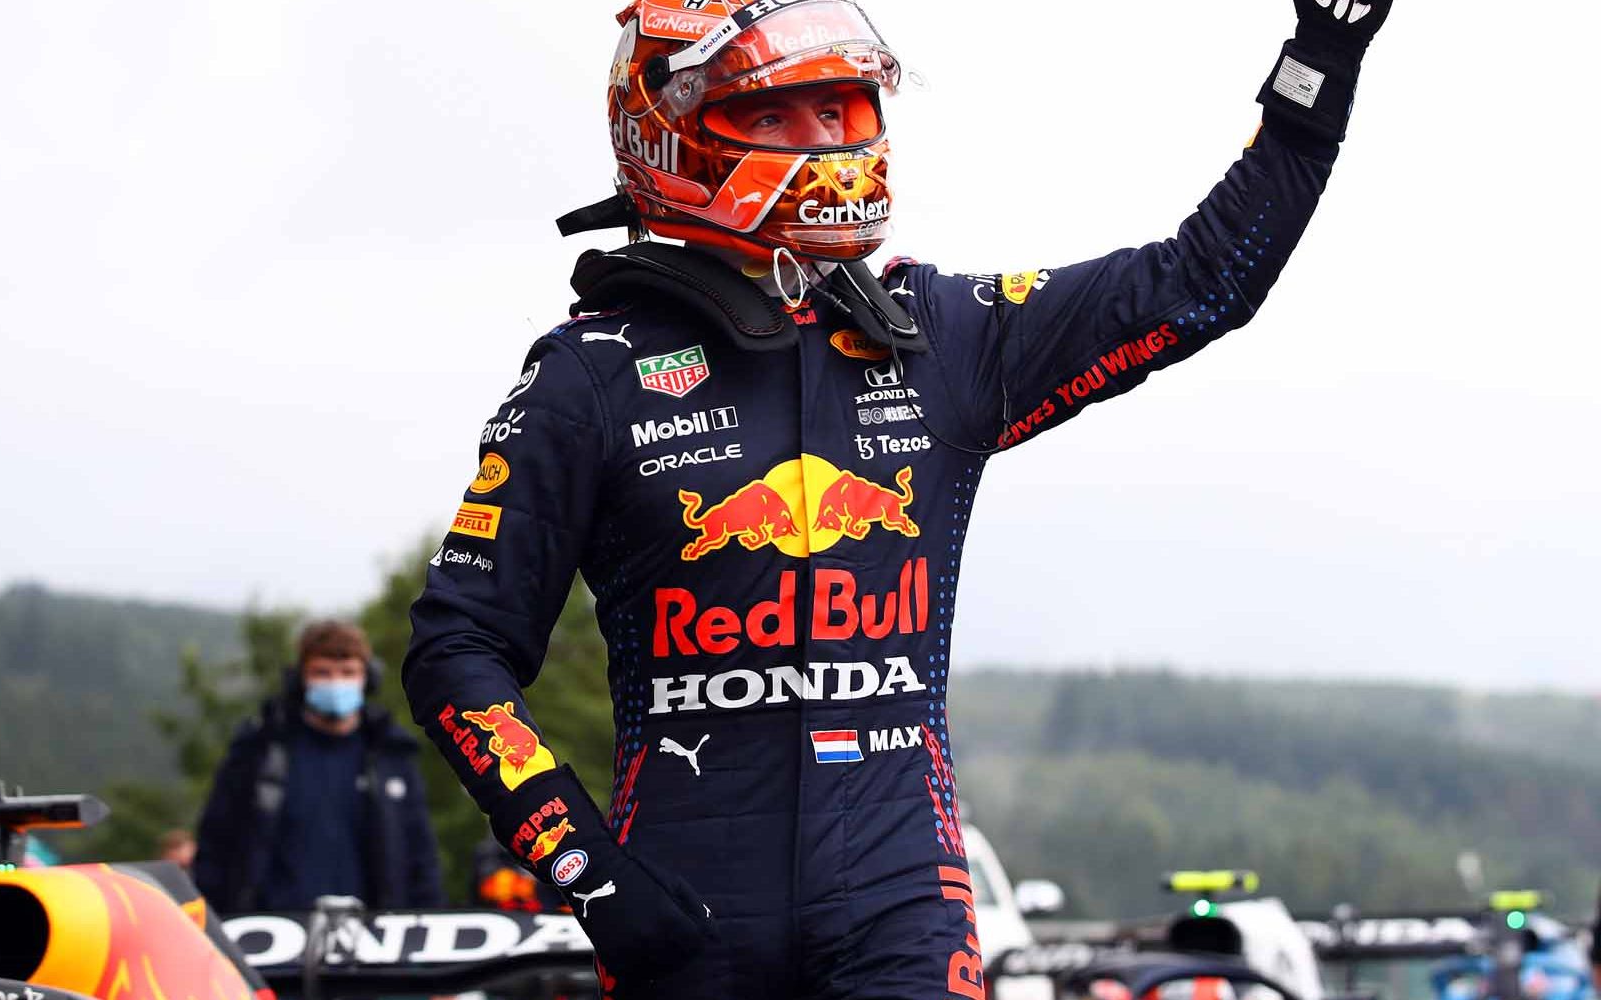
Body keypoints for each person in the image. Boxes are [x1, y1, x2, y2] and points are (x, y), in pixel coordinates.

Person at [401, 1, 1394, 998]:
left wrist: (1320, 65)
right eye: (784, 112)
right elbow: (457, 651)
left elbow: (1198, 283)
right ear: (677, 137)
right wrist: (586, 869)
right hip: (684, 919)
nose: (828, 139)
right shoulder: (588, 376)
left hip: (901, 908)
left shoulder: (940, 334)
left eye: (842, 107)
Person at [192, 620, 444, 913]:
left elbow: (420, 855)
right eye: (322, 673)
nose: (336, 682)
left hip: (375, 938)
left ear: (368, 678)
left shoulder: (392, 755)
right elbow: (216, 843)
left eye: (348, 672)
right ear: (300, 679)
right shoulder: (260, 749)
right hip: (272, 933)